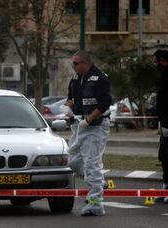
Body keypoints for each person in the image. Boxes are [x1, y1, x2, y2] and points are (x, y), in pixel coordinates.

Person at [60, 50, 111, 216]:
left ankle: (96, 203)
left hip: (95, 126)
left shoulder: (100, 78)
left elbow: (105, 103)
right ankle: (98, 181)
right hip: (79, 125)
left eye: (76, 63)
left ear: (86, 63)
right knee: (73, 162)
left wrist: (88, 120)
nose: (73, 66)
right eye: (72, 63)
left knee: (92, 162)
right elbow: (70, 98)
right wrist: (67, 109)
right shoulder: (76, 78)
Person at [153, 49, 168, 204]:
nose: (155, 64)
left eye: (156, 61)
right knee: (165, 157)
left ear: (163, 60)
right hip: (165, 123)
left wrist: (167, 123)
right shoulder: (165, 75)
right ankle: (166, 190)